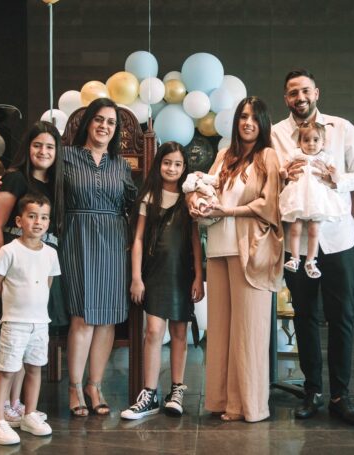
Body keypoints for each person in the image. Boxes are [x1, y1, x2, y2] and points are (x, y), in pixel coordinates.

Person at [271, 69, 354, 425]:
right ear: (286, 99)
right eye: (292, 92)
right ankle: (312, 390)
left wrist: (337, 179)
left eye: (305, 90)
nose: (299, 97)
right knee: (304, 315)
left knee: (341, 317)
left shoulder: (342, 128)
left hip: (338, 238)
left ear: (316, 93)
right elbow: (265, 178)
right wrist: (281, 176)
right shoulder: (275, 134)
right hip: (296, 245)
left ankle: (340, 395)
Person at [188, 96, 283, 423]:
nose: (248, 123)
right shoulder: (224, 156)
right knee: (220, 331)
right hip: (217, 249)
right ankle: (223, 401)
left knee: (248, 333)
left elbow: (269, 205)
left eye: (254, 118)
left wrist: (228, 211)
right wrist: (195, 201)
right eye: (243, 116)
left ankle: (250, 406)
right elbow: (206, 188)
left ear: (263, 123)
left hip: (250, 252)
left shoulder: (268, 156)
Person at [61, 97, 137, 416]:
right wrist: (3, 183)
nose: (104, 126)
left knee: (107, 318)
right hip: (78, 238)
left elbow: (137, 204)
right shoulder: (65, 157)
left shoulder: (121, 165)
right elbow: (34, 178)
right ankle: (74, 387)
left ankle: (95, 385)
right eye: (99, 119)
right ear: (88, 122)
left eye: (111, 122)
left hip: (114, 242)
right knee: (82, 316)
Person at [0, 120, 64, 425]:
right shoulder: (15, 179)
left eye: (50, 146)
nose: (43, 151)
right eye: (37, 145)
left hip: (39, 263)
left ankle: (15, 404)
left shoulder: (54, 183)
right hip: (15, 265)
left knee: (28, 343)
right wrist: (0, 270)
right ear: (27, 148)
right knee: (13, 344)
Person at [121, 142, 204, 420]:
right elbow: (138, 239)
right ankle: (149, 394)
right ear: (159, 164)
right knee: (154, 331)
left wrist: (199, 276)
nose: (172, 168)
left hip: (182, 273)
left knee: (179, 332)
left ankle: (176, 390)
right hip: (154, 273)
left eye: (178, 164)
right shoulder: (149, 197)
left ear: (185, 168)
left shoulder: (189, 197)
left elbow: (195, 240)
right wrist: (136, 277)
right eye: (167, 162)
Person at [0, 193, 61, 445]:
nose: (38, 222)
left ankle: (29, 414)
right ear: (19, 221)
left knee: (34, 368)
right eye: (32, 216)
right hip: (15, 322)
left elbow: (47, 284)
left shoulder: (50, 254)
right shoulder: (9, 251)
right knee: (7, 370)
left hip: (40, 323)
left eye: (44, 217)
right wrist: (15, 301)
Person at [279, 122, 348, 279]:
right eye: (306, 140)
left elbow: (336, 179)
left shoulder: (325, 157)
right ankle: (294, 258)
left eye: (316, 140)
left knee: (314, 230)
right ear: (299, 142)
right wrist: (283, 172)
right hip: (298, 197)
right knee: (295, 229)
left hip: (317, 199)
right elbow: (283, 168)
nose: (311, 144)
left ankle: (310, 261)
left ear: (323, 143)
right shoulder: (296, 154)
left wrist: (334, 173)